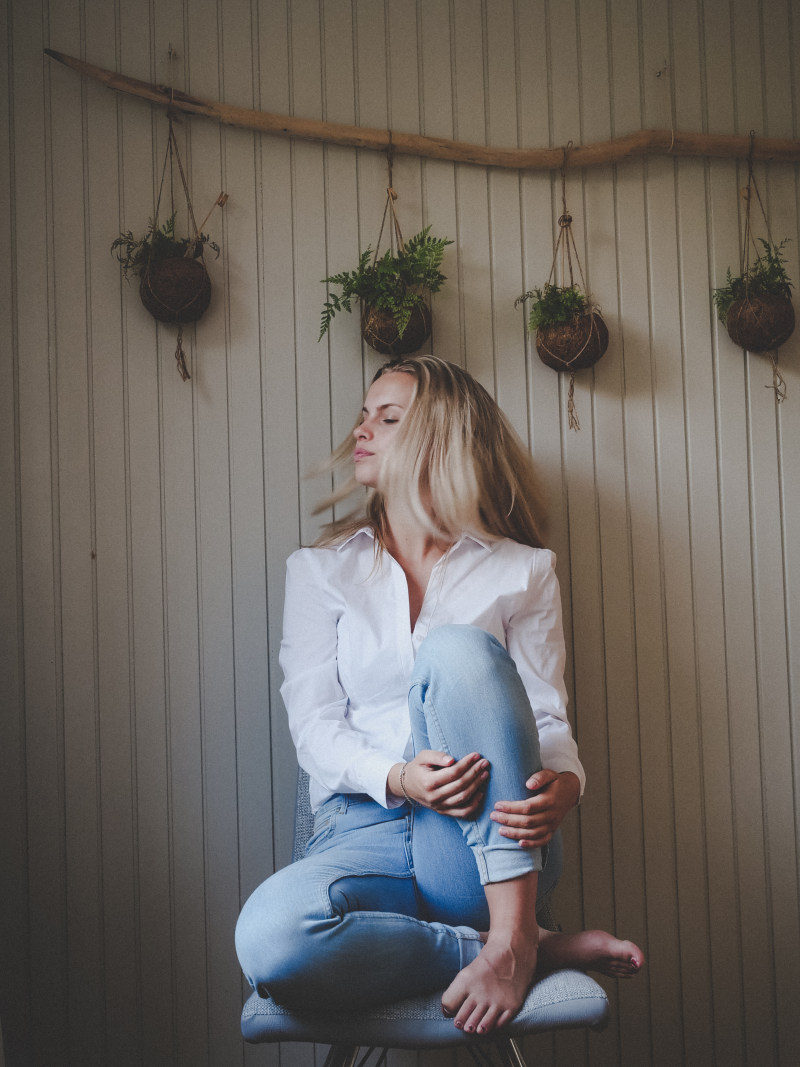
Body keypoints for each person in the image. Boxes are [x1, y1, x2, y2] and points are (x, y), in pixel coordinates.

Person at [236, 355, 643, 1036]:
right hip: (359, 832)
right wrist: (398, 777)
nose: (362, 429)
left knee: (456, 650)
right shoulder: (319, 571)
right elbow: (313, 728)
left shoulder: (523, 570)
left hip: (482, 845)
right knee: (271, 939)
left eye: (388, 418)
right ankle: (526, 950)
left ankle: (510, 932)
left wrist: (569, 781)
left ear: (441, 439)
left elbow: (546, 714)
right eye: (365, 414)